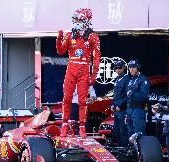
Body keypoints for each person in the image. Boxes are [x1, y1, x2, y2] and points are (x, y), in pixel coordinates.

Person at [56, 8, 101, 138]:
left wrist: (94, 75)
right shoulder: (70, 35)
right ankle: (64, 125)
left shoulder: (93, 37)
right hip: (71, 68)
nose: (76, 21)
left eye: (79, 19)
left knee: (82, 100)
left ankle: (82, 127)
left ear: (87, 21)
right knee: (67, 98)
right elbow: (60, 51)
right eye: (75, 19)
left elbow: (97, 57)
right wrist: (59, 39)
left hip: (84, 69)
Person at [126, 60, 150, 137]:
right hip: (130, 109)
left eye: (133, 67)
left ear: (138, 68)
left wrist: (132, 93)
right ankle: (132, 149)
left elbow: (144, 96)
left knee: (139, 134)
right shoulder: (131, 80)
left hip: (139, 109)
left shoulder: (143, 79)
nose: (131, 69)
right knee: (130, 133)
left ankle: (141, 149)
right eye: (129, 67)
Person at [111, 60, 130, 146]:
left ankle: (125, 149)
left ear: (124, 68)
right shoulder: (116, 79)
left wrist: (121, 105)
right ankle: (120, 147)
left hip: (123, 110)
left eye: (119, 68)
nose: (118, 70)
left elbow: (128, 95)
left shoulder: (127, 79)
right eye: (116, 68)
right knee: (117, 130)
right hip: (116, 109)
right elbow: (115, 94)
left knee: (123, 130)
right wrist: (112, 104)